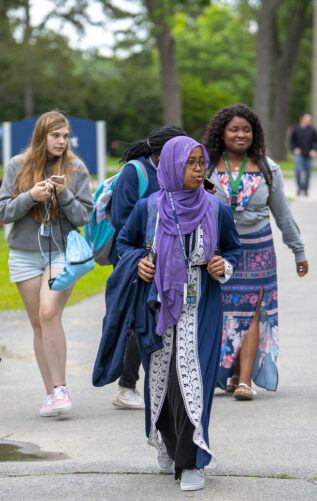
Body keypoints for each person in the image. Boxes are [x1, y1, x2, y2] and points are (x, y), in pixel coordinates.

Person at [93, 136, 241, 491]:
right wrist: (139, 264)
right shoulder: (149, 208)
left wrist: (224, 265)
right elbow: (124, 244)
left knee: (193, 380)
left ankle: (192, 463)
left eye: (201, 162)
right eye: (190, 163)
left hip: (201, 307)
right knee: (161, 380)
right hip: (155, 306)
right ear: (172, 166)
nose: (198, 169)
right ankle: (169, 444)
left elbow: (235, 250)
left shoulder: (217, 208)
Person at [203, 103, 308, 400]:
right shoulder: (208, 166)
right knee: (226, 313)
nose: (240, 135)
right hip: (220, 250)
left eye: (246, 130)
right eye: (234, 129)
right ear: (222, 133)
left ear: (255, 133)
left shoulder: (267, 168)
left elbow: (283, 214)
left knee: (250, 311)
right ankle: (232, 372)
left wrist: (298, 251)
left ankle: (245, 381)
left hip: (258, 249)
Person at [0, 110, 94, 417]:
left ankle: (61, 387)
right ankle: (51, 393)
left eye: (66, 136)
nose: (62, 141)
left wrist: (64, 193)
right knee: (39, 324)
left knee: (48, 311)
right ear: (42, 135)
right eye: (56, 135)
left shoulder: (76, 168)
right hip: (24, 253)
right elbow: (4, 211)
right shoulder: (17, 165)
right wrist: (31, 195)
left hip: (60, 252)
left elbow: (83, 217)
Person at [110, 125, 187, 410]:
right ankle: (126, 386)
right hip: (138, 259)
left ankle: (166, 382)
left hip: (169, 260)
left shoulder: (176, 171)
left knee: (162, 317)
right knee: (138, 321)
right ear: (161, 153)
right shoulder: (136, 172)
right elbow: (121, 221)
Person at [290, 112, 317, 196]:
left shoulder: (312, 130)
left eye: (310, 119)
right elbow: (292, 141)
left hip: (308, 154)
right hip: (299, 154)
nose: (309, 121)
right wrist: (294, 149)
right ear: (301, 119)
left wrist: (314, 150)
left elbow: (315, 142)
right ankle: (300, 187)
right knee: (298, 171)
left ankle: (305, 189)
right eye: (307, 119)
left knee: (308, 173)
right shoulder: (296, 129)